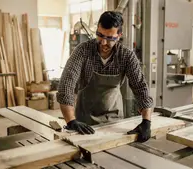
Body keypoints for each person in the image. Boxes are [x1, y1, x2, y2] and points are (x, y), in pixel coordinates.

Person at [57, 11, 153, 142]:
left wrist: (146, 121)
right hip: (84, 123)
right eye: (100, 35)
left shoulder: (126, 56)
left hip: (114, 122)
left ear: (119, 35)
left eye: (109, 38)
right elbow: (66, 85)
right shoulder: (83, 51)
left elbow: (141, 88)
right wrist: (71, 121)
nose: (103, 42)